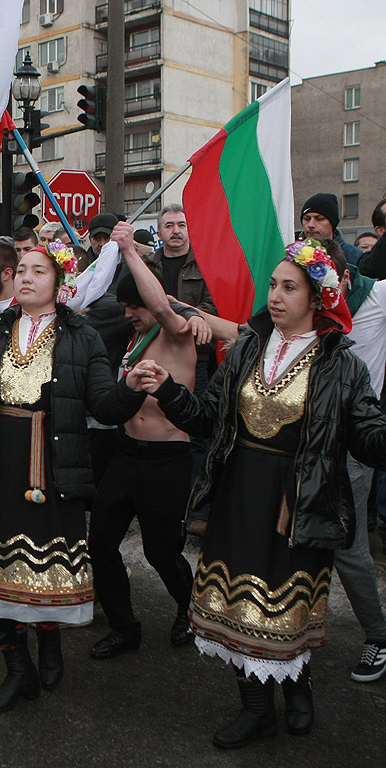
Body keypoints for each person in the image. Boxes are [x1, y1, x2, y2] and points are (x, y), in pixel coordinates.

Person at [128, 240, 386, 748]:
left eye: (289, 287)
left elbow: (369, 435)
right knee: (239, 607)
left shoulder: (342, 366)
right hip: (239, 494)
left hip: (299, 503)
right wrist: (166, 389)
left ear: (317, 297)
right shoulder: (247, 349)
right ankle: (256, 710)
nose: (275, 295)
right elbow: (207, 418)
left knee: (285, 612)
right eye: (272, 285)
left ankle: (299, 691)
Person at [0, 242, 146, 714]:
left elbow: (103, 405)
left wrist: (132, 389)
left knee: (41, 573)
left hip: (50, 468)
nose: (26, 278)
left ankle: (50, 642)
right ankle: (19, 669)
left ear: (59, 282)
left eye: (39, 271)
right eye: (21, 270)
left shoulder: (83, 337)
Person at [88, 222, 197, 660]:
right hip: (127, 452)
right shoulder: (134, 337)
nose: (130, 312)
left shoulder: (178, 332)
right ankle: (123, 626)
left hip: (168, 459)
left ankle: (190, 611)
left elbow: (160, 302)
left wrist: (129, 249)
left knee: (161, 552)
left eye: (136, 305)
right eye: (126, 305)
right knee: (100, 543)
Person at [143, 203, 217, 535]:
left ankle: (197, 509)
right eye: (169, 224)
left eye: (181, 224)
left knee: (196, 436)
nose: (176, 229)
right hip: (153, 357)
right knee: (153, 431)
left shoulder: (204, 266)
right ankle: (157, 502)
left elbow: (212, 308)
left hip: (194, 362)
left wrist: (178, 315)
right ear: (159, 232)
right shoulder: (148, 266)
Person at [299, 192, 363, 267]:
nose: (311, 225)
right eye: (307, 219)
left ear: (332, 223)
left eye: (319, 219)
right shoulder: (290, 252)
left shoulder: (353, 255)